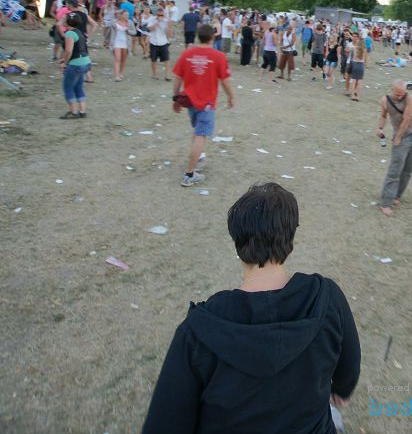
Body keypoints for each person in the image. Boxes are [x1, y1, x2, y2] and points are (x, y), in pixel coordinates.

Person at [143, 183, 361, 433]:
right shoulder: (327, 299)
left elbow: (164, 423)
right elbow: (349, 368)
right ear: (290, 238)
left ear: (237, 242)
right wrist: (340, 390)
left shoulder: (198, 331)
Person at [172, 24, 235, 187]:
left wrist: (175, 98)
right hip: (206, 103)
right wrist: (231, 97)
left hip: (190, 101)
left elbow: (178, 78)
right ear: (213, 37)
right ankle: (189, 174)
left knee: (197, 131)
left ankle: (198, 157)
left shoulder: (187, 53)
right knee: (201, 134)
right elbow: (225, 81)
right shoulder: (218, 56)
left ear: (198, 36)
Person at [377, 80, 412, 217]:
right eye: (397, 94)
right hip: (401, 138)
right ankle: (385, 203)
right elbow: (383, 115)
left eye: (402, 94)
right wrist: (380, 128)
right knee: (395, 170)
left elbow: (407, 119)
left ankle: (396, 196)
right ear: (392, 89)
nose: (401, 96)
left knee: (408, 169)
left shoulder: (409, 98)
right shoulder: (385, 100)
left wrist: (398, 136)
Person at [57, 11, 92, 119]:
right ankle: (82, 110)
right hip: (86, 62)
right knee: (78, 86)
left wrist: (64, 62)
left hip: (76, 64)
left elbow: (68, 51)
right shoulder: (79, 32)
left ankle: (73, 111)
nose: (62, 19)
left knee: (68, 87)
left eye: (64, 18)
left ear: (67, 22)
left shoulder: (69, 34)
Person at [148, 6, 171, 81]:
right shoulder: (152, 19)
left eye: (162, 15)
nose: (160, 17)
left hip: (163, 42)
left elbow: (169, 34)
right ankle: (154, 74)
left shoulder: (166, 21)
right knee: (153, 60)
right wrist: (158, 22)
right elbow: (150, 28)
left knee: (167, 59)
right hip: (154, 42)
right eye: (159, 15)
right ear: (156, 14)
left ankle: (167, 76)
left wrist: (169, 25)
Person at [110, 10, 129, 81]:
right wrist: (106, 41)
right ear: (121, 15)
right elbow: (109, 32)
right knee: (117, 59)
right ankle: (116, 75)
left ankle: (121, 73)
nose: (127, 16)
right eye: (125, 15)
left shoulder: (129, 23)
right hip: (116, 42)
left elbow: (134, 32)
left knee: (123, 59)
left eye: (127, 15)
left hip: (125, 43)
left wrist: (128, 30)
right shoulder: (114, 22)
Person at [348, 34, 366, 101]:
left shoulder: (354, 48)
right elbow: (365, 59)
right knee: (359, 82)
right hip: (361, 65)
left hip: (355, 64)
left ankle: (352, 95)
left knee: (354, 81)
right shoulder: (364, 49)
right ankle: (357, 96)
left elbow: (352, 57)